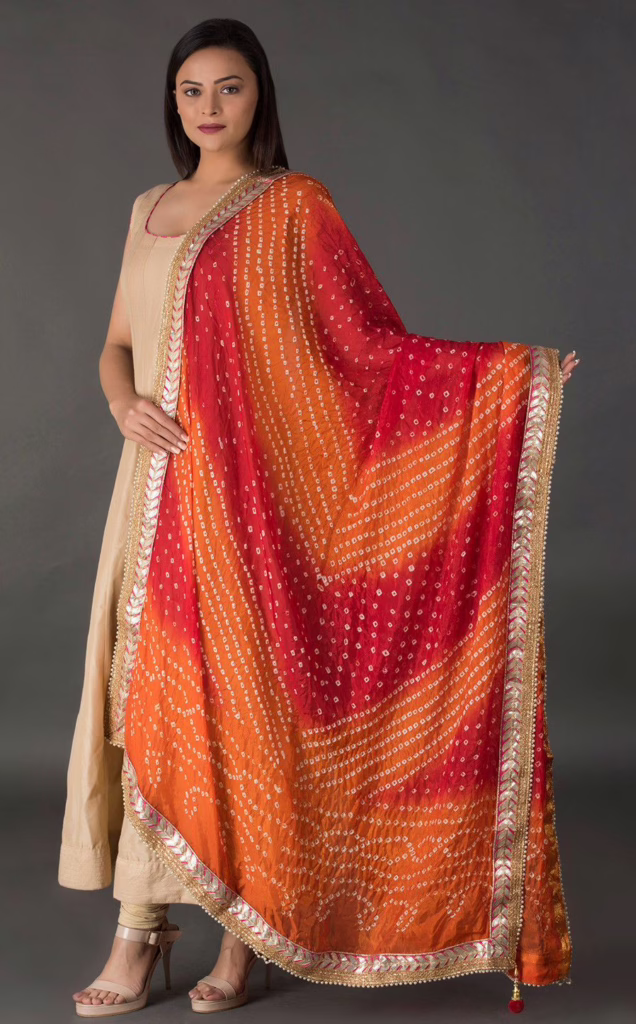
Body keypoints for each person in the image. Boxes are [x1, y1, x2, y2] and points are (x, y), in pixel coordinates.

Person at [61, 16, 580, 1017]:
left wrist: (516, 380)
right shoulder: (151, 205)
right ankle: (137, 935)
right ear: (172, 104)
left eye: (230, 89)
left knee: (242, 713)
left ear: (261, 98)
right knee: (149, 702)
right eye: (191, 92)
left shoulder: (292, 207)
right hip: (154, 495)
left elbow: (371, 352)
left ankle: (240, 936)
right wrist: (120, 400)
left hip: (249, 502)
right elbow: (115, 343)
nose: (209, 109)